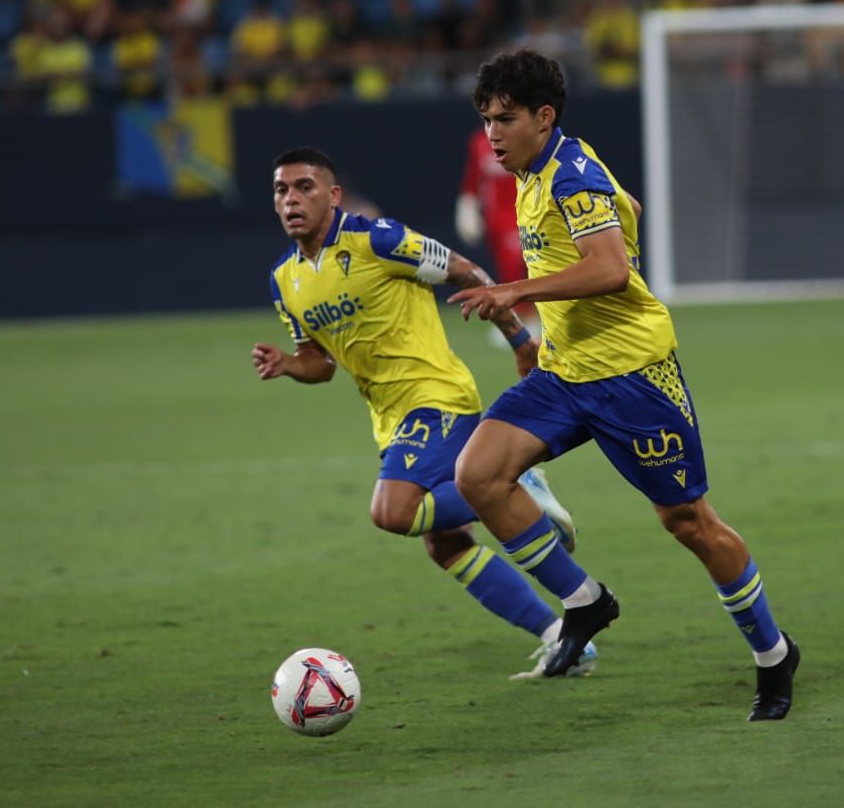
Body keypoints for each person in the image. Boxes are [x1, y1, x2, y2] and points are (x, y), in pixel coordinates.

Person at [446, 49, 799, 721]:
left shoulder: (570, 174)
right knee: (478, 475)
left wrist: (516, 290)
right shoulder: (536, 170)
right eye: (486, 119)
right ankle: (585, 602)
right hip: (564, 372)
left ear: (543, 117)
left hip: (632, 377)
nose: (492, 133)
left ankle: (774, 654)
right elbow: (623, 209)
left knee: (689, 523)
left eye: (505, 119)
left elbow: (609, 270)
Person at [252, 146, 597, 675]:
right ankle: (563, 638)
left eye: (304, 187)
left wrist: (520, 341)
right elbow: (319, 363)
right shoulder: (285, 280)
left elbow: (466, 270)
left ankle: (511, 484)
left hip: (435, 397)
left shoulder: (377, 239)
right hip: (390, 420)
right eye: (282, 190)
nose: (291, 200)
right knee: (446, 544)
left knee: (393, 512)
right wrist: (288, 365)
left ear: (333, 195)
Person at [455, 124, 538, 333]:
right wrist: (468, 208)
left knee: (518, 266)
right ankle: (516, 319)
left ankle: (526, 320)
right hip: (494, 219)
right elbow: (473, 178)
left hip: (519, 214)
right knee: (504, 268)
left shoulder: (520, 137)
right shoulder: (479, 142)